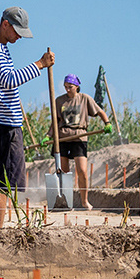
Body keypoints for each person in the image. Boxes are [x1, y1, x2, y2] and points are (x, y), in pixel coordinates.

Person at [0, 6, 54, 228]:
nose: (18, 37)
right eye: (16, 31)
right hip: (4, 124)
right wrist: (40, 64)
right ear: (5, 24)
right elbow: (8, 80)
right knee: (2, 182)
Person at [50, 74, 111, 210]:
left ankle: (84, 201)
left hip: (79, 137)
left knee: (82, 170)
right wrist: (48, 136)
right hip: (62, 138)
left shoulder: (84, 99)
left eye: (70, 87)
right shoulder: (59, 101)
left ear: (76, 86)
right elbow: (55, 121)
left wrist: (107, 122)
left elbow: (100, 111)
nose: (67, 90)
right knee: (64, 171)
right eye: (65, 87)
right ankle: (66, 201)